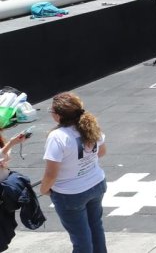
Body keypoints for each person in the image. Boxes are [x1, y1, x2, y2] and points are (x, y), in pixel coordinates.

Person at [40, 92, 107, 252]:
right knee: (96, 228)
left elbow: (51, 174)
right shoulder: (90, 126)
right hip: (96, 184)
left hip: (70, 194)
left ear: (58, 115)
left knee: (81, 238)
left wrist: (44, 190)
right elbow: (101, 152)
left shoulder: (57, 136)